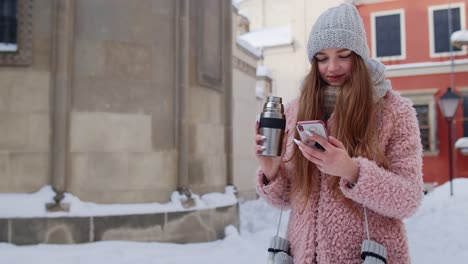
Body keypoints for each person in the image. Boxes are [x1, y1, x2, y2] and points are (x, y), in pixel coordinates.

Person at [254, 3, 423, 264]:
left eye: (343, 55)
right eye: (322, 58)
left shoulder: (394, 112)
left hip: (369, 256)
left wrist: (352, 171)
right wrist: (272, 171)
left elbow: (409, 200)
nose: (331, 67)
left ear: (359, 55)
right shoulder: (295, 110)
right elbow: (285, 200)